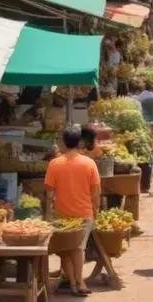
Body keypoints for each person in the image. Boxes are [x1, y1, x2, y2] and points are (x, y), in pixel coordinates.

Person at [45, 126, 100, 296]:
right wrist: (95, 211)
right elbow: (96, 192)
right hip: (84, 213)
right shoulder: (89, 163)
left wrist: (49, 213)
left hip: (62, 214)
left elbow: (49, 194)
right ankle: (79, 282)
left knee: (66, 250)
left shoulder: (54, 164)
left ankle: (74, 282)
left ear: (63, 142)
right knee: (78, 249)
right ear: (79, 143)